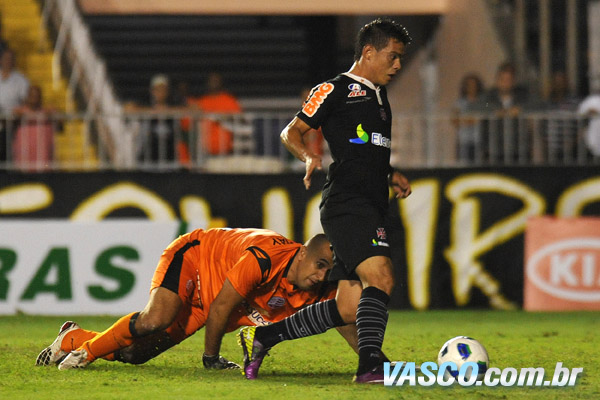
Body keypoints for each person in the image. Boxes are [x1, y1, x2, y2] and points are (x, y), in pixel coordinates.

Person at [238, 18, 413, 384]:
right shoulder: (335, 89)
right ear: (369, 52)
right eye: (393, 56)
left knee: (348, 306)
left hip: (370, 202)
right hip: (348, 201)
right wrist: (307, 156)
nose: (398, 65)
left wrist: (389, 172)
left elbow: (365, 149)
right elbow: (292, 131)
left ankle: (265, 335)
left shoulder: (379, 96)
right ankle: (371, 367)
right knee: (381, 276)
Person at [36, 227, 346, 370]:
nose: (322, 276)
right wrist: (211, 359)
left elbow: (345, 318)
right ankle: (86, 353)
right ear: (302, 254)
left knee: (135, 355)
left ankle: (73, 338)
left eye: (328, 270)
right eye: (319, 265)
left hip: (208, 303)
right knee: (155, 319)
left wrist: (371, 364)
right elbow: (222, 307)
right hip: (195, 259)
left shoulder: (319, 290)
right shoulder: (266, 257)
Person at [189, 72, 242, 155]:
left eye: (216, 81)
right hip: (205, 149)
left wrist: (223, 118)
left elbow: (239, 119)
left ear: (221, 82)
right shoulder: (201, 102)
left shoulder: (229, 100)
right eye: (211, 81)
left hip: (225, 148)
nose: (213, 83)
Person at [12, 85, 56, 171]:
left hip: (43, 157)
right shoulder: (19, 112)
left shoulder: (48, 113)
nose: (34, 99)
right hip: (24, 156)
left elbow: (59, 116)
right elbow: (13, 114)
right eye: (32, 96)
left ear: (40, 97)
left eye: (36, 96)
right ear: (27, 97)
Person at [0, 48, 30, 163]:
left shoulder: (21, 80)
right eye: (6, 59)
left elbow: (26, 103)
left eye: (11, 59)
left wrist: (15, 113)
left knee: (8, 157)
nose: (8, 61)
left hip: (11, 125)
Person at [452, 73, 484, 163]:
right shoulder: (460, 102)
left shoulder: (482, 102)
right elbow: (455, 120)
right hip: (464, 140)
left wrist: (467, 120)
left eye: (474, 85)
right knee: (463, 164)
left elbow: (482, 117)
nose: (471, 87)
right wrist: (468, 121)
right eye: (469, 85)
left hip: (478, 140)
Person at [578, 90, 600, 157]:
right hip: (594, 125)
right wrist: (591, 111)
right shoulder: (592, 99)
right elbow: (582, 111)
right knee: (593, 143)